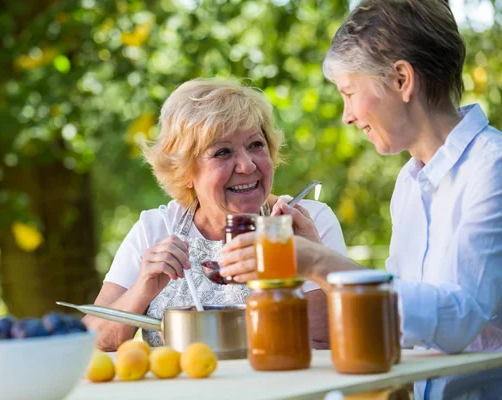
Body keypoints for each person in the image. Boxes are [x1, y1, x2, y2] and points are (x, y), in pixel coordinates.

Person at [221, 1, 502, 398]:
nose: (346, 115)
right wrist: (319, 263)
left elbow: (461, 317)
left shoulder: (493, 168)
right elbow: (397, 309)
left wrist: (318, 262)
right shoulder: (410, 182)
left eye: (349, 93)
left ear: (402, 79)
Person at [84, 78, 347, 350]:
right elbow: (91, 342)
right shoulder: (155, 228)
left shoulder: (307, 221)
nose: (246, 165)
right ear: (184, 172)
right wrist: (142, 290)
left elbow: (324, 342)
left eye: (256, 145)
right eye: (223, 152)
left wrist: (309, 259)